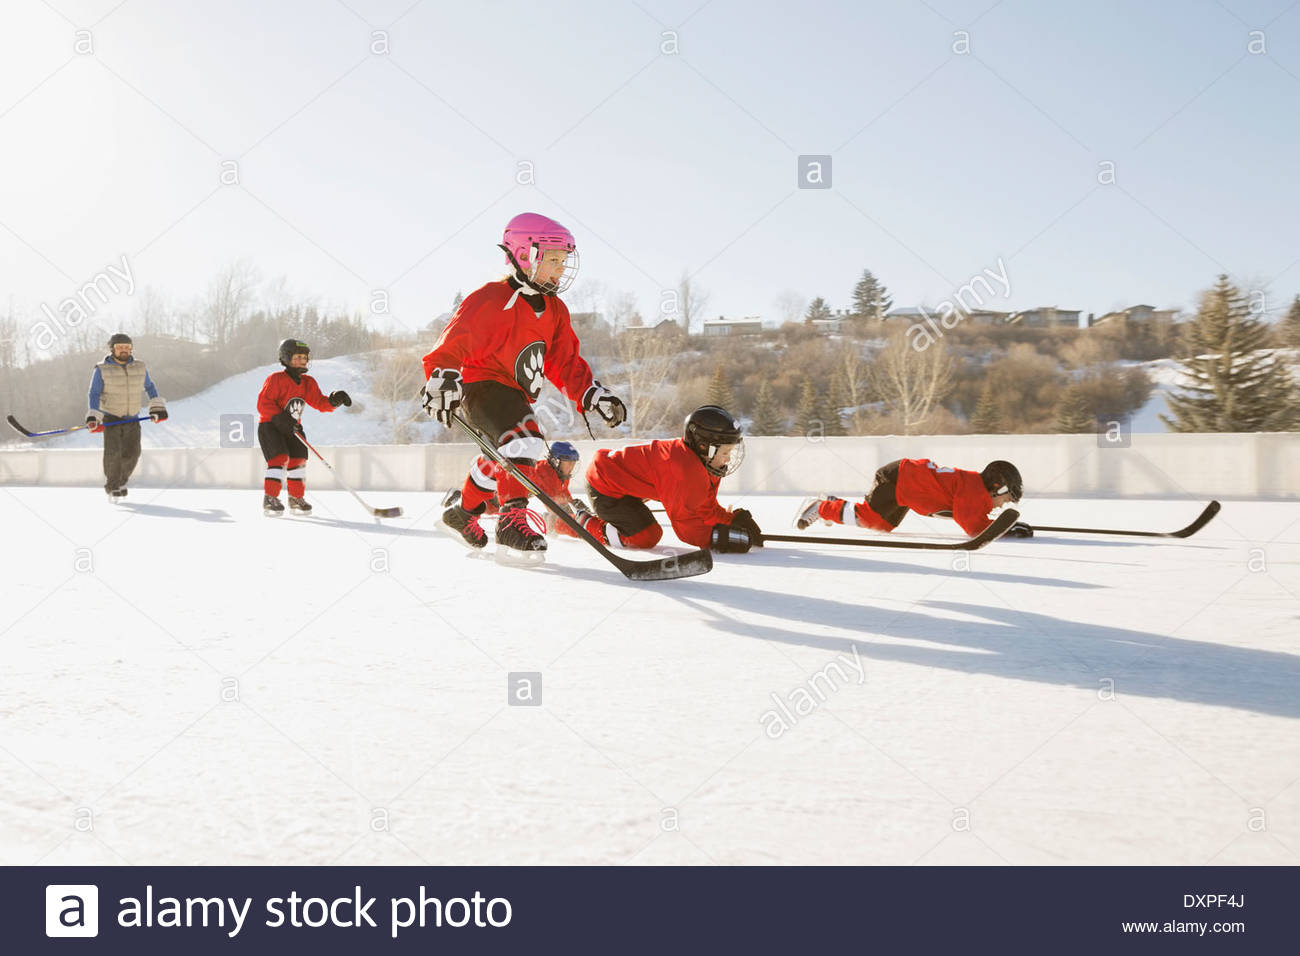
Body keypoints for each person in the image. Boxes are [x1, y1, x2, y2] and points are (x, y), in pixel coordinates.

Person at [422, 212, 626, 557]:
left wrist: (591, 394)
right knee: (525, 440)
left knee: (501, 456)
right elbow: (450, 345)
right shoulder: (490, 299)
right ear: (525, 254)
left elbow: (564, 361)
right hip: (481, 385)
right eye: (554, 260)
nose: (561, 269)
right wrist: (441, 378)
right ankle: (510, 522)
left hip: (514, 392)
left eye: (564, 261)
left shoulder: (556, 310)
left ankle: (462, 514)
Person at [579, 405, 763, 553]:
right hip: (603, 483)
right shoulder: (682, 469)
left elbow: (704, 508)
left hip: (625, 484)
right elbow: (687, 528)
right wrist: (719, 537)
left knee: (645, 530)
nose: (728, 458)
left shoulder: (704, 463)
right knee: (646, 537)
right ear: (704, 446)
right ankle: (584, 523)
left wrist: (731, 520)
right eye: (725, 451)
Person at [795, 458, 1032, 537]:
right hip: (899, 480)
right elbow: (973, 526)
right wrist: (1005, 529)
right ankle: (822, 506)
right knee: (868, 518)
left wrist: (1005, 525)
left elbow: (975, 519)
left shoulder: (974, 486)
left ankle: (832, 504)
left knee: (881, 526)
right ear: (997, 488)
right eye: (1006, 499)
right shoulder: (975, 493)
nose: (1003, 505)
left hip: (905, 484)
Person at [255, 338, 351, 516]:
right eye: (297, 357)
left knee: (298, 460)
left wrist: (334, 400)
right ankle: (270, 498)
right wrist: (279, 417)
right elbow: (263, 403)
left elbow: (320, 403)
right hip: (271, 426)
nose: (302, 360)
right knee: (279, 458)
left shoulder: (308, 382)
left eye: (305, 357)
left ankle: (295, 498)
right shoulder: (276, 379)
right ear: (286, 358)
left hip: (293, 429)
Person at [442, 441, 588, 537]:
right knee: (491, 507)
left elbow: (562, 499)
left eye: (573, 464)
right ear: (555, 461)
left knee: (492, 506)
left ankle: (461, 498)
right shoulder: (547, 473)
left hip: (513, 490)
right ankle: (458, 499)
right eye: (568, 463)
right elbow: (558, 509)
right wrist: (582, 529)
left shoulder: (560, 474)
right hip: (505, 489)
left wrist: (576, 508)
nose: (571, 467)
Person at [86, 332, 167, 499]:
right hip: (112, 417)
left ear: (131, 349)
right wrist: (94, 416)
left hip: (133, 418)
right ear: (112, 349)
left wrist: (157, 408)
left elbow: (150, 387)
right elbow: (94, 393)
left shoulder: (140, 367)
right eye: (120, 347)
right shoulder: (102, 369)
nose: (124, 350)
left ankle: (122, 480)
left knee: (133, 453)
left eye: (127, 347)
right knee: (113, 453)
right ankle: (112, 485)